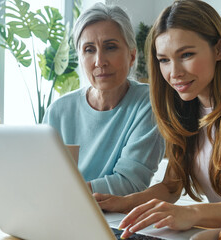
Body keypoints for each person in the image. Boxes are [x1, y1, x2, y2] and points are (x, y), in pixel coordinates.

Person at [94, 0, 221, 238]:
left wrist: (192, 213)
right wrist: (125, 202)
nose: (174, 73)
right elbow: (171, 186)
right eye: (164, 60)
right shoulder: (183, 110)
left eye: (186, 54)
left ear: (218, 49)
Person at [42, 3, 165, 196]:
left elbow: (130, 183)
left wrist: (71, 195)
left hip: (116, 217)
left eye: (110, 47)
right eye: (89, 50)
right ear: (80, 57)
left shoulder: (149, 103)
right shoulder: (58, 111)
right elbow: (44, 177)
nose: (100, 61)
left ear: (132, 56)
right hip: (61, 210)